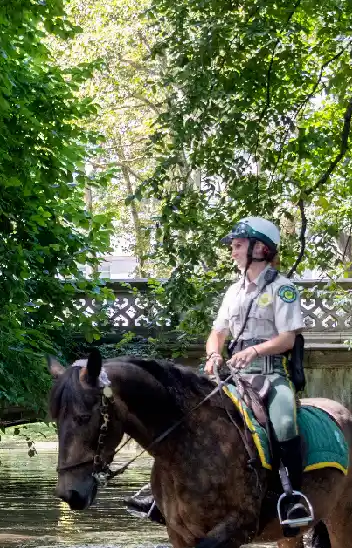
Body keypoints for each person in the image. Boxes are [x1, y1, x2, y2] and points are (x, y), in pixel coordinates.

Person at [125, 216, 312, 528]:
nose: (232, 251)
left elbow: (288, 338)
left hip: (269, 375)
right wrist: (214, 353)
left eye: (238, 245)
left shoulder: (283, 289)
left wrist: (254, 350)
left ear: (260, 249)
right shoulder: (233, 291)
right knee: (186, 414)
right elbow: (217, 333)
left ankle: (291, 497)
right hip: (233, 376)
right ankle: (161, 494)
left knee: (284, 421)